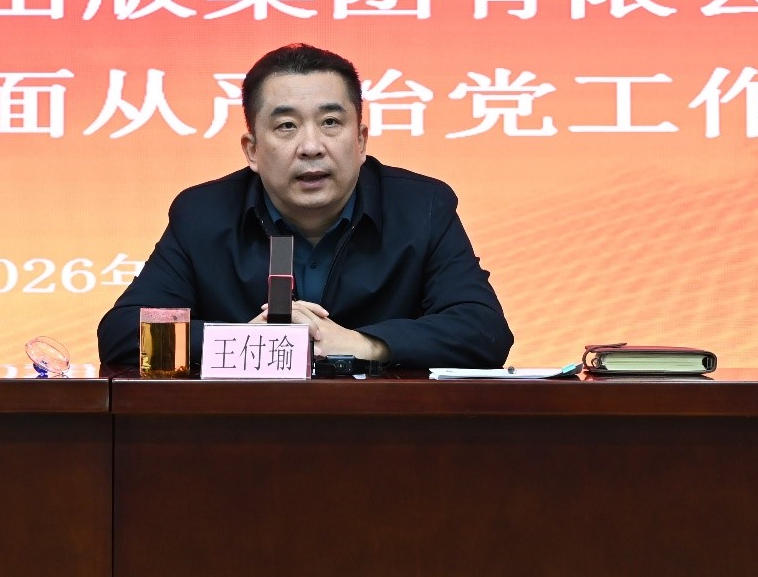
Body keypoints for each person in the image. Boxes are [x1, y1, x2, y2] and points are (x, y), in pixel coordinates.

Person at [98, 44, 512, 368]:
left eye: (331, 122)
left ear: (360, 140)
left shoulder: (422, 207)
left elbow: (484, 332)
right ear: (252, 150)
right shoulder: (203, 214)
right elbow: (123, 334)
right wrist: (246, 343)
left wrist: (364, 344)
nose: (311, 147)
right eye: (286, 126)